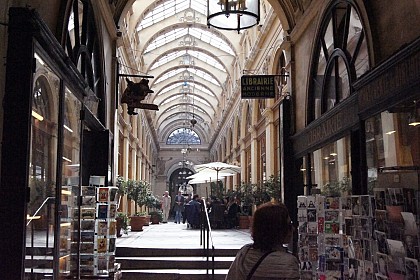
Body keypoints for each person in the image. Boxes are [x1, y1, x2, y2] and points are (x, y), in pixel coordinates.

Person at [226, 202, 300, 280]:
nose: (293, 228)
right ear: (279, 229)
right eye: (289, 225)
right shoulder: (288, 263)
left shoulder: (244, 254)